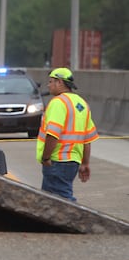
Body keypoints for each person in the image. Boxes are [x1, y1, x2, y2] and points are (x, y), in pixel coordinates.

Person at [37, 67, 99, 201]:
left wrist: (46, 157)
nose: (48, 85)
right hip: (73, 162)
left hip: (57, 161)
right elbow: (87, 139)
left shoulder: (58, 103)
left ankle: (79, 221)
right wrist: (85, 163)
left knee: (62, 202)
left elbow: (53, 134)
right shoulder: (82, 104)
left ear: (59, 82)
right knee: (48, 202)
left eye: (51, 81)